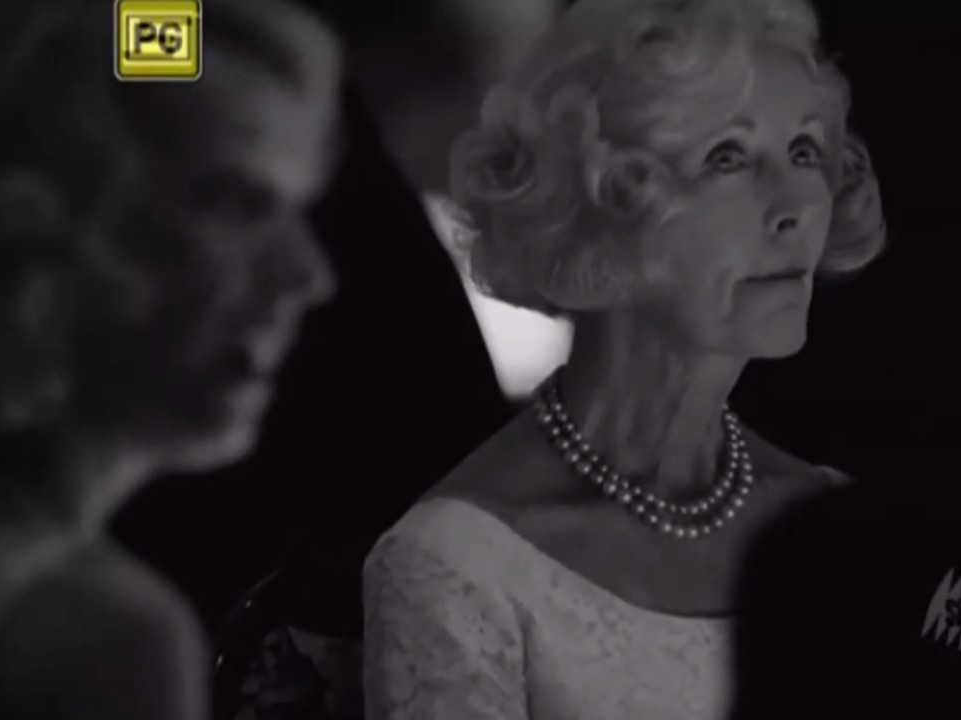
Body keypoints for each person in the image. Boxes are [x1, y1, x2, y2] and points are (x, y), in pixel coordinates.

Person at [361, 0, 887, 717]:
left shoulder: (839, 522)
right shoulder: (453, 562)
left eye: (803, 150)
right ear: (600, 203)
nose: (797, 203)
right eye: (728, 157)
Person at [0, 0, 340, 718]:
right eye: (234, 202)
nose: (308, 275)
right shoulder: (95, 637)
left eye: (296, 208)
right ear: (34, 224)